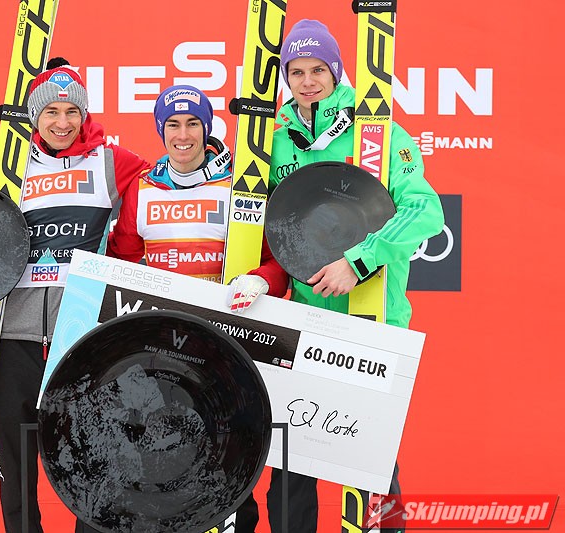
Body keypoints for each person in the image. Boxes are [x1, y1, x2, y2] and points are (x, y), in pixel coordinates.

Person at [231, 19, 445, 533]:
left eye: (318, 71)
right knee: (291, 462)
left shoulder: (376, 134)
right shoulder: (272, 142)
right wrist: (259, 276)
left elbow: (425, 210)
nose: (307, 82)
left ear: (336, 72)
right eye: (297, 72)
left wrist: (359, 260)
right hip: (302, 320)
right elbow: (268, 229)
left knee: (372, 464)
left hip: (372, 315)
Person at [0, 58, 152, 533]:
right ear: (35, 116)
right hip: (13, 335)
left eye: (72, 112)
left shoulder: (111, 162)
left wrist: (124, 258)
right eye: (51, 112)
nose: (62, 123)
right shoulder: (11, 168)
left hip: (83, 334)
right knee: (16, 464)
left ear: (84, 115)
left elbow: (169, 184)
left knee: (96, 461)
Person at [106, 84, 288, 533]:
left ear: (207, 129)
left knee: (230, 459)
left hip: (225, 345)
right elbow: (120, 263)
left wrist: (260, 280)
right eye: (173, 124)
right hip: (163, 350)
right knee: (165, 460)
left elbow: (277, 263)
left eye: (193, 124)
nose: (183, 135)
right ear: (161, 130)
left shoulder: (238, 184)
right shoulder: (143, 188)